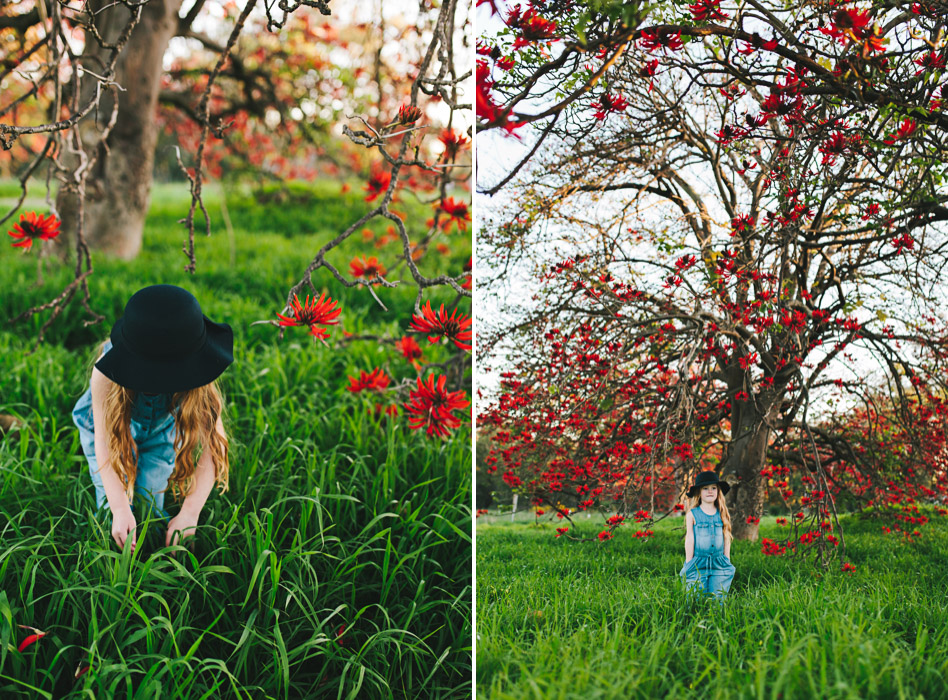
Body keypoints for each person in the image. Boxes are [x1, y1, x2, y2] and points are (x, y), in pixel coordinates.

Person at [71, 284, 233, 553]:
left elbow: (215, 447)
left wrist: (190, 512)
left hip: (160, 433)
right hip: (109, 431)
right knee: (111, 518)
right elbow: (102, 443)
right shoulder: (105, 375)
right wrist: (120, 508)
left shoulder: (199, 383)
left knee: (150, 517)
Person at [679, 470, 736, 603]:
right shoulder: (692, 514)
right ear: (699, 492)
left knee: (717, 600)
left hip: (718, 562)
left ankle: (716, 621)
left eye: (713, 488)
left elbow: (726, 537)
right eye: (705, 488)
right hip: (698, 562)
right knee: (695, 599)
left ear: (718, 491)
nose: (710, 491)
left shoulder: (722, 513)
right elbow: (690, 538)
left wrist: (726, 559)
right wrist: (689, 562)